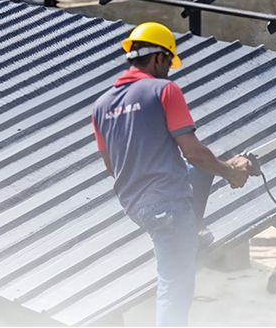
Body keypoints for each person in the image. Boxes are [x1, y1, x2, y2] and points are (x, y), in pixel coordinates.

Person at [91, 22, 255, 326]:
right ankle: (189, 230)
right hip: (167, 206)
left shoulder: (101, 106)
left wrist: (217, 166)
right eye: (169, 62)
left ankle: (193, 230)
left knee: (198, 170)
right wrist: (231, 172)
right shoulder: (163, 90)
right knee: (175, 286)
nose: (169, 69)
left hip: (136, 205)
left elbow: (111, 166)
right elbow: (193, 151)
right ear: (158, 58)